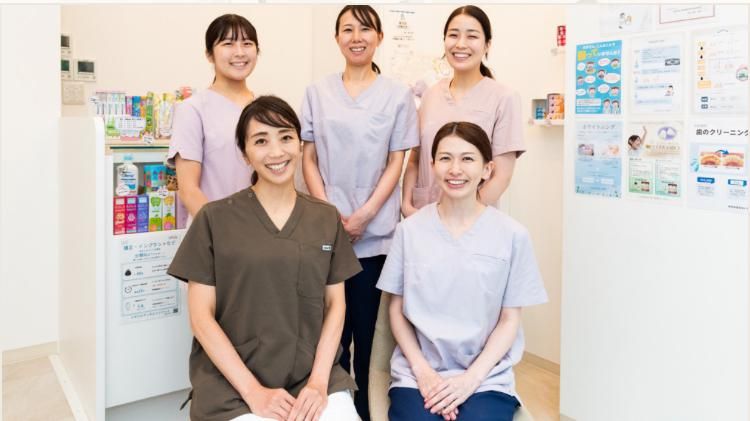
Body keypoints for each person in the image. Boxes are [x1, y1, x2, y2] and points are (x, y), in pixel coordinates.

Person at [167, 96, 362, 421]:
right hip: (232, 387)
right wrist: (253, 392)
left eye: (285, 137)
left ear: (299, 145)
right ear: (245, 154)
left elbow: (336, 306)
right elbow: (201, 318)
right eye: (261, 141)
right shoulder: (214, 220)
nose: (276, 152)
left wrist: (317, 383)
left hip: (311, 379)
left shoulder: (325, 218)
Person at [377, 122, 547, 421]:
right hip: (418, 374)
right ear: (432, 165)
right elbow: (396, 309)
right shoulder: (409, 231)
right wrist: (422, 371)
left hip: (485, 377)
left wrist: (471, 379)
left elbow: (509, 320)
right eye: (445, 158)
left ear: (487, 169)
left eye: (467, 159)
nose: (455, 169)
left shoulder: (512, 235)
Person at [300, 5, 419, 420]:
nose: (356, 37)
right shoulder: (316, 92)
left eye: (365, 29)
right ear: (336, 38)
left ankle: (368, 413)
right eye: (347, 29)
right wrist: (328, 212)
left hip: (375, 238)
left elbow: (396, 161)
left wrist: (365, 214)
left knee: (370, 341)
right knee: (329, 340)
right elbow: (308, 157)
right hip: (324, 236)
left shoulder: (397, 95)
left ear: (379, 37)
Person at [402, 5, 524, 215]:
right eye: (453, 35)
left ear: (487, 44)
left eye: (472, 36)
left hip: (472, 221)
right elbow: (415, 159)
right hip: (422, 215)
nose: (460, 44)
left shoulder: (504, 98)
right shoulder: (431, 94)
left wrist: (456, 218)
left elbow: (501, 176)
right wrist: (406, 204)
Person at [168, 14, 257, 222]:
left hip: (262, 231)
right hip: (214, 231)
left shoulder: (265, 109)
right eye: (228, 43)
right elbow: (189, 190)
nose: (239, 52)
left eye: (247, 43)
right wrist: (223, 233)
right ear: (209, 54)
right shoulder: (192, 109)